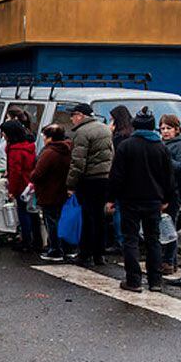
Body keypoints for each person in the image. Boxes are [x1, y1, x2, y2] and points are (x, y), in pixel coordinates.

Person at [107, 107, 175, 292]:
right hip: (153, 200)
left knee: (131, 240)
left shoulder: (126, 146)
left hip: (130, 200)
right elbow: (168, 177)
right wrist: (167, 198)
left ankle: (134, 281)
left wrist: (111, 198)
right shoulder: (160, 147)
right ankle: (155, 281)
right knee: (153, 240)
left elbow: (117, 176)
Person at [66, 103, 113, 267]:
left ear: (80, 115)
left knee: (87, 216)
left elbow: (78, 162)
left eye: (72, 116)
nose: (71, 119)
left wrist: (70, 184)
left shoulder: (81, 132)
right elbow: (110, 154)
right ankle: (99, 254)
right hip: (104, 178)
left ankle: (84, 253)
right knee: (100, 217)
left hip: (88, 179)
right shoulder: (105, 129)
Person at [31, 124, 72, 262]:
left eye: (44, 136)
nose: (43, 139)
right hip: (63, 191)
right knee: (62, 221)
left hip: (49, 192)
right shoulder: (68, 149)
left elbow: (38, 174)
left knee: (52, 222)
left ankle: (55, 250)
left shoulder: (49, 152)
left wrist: (32, 175)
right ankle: (66, 248)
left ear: (50, 138)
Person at [2, 120, 36, 252]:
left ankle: (26, 242)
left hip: (21, 185)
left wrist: (11, 191)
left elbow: (16, 172)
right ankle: (34, 240)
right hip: (29, 184)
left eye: (4, 132)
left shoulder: (15, 150)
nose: (2, 135)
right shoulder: (29, 146)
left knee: (23, 213)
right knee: (30, 212)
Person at [159, 114, 181, 276]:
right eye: (162, 128)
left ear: (176, 129)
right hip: (162, 191)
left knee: (169, 228)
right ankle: (169, 260)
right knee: (164, 227)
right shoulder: (162, 144)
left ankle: (169, 261)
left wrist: (167, 160)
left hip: (174, 193)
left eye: (168, 128)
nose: (165, 131)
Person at [108, 105, 134, 253]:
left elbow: (114, 161)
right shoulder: (133, 134)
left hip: (121, 178)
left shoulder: (118, 138)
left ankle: (120, 241)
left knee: (118, 210)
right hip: (134, 180)